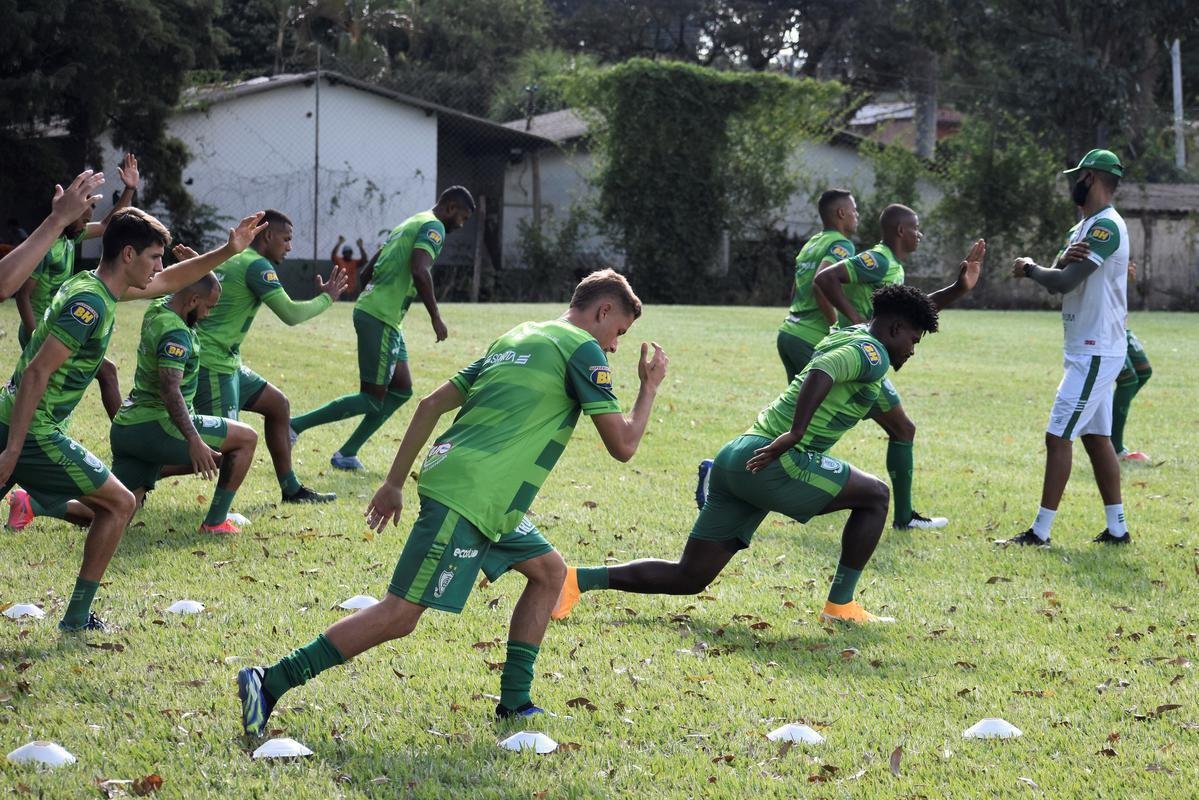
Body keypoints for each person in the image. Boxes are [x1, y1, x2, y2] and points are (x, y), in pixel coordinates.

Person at [236, 268, 667, 737]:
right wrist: (648, 387)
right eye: (619, 332)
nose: (615, 347)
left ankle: (515, 704)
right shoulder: (582, 349)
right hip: (471, 496)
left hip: (483, 496)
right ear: (604, 310)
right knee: (400, 615)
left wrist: (396, 482)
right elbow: (623, 445)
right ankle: (270, 679)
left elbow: (430, 404)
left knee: (549, 572)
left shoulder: (517, 336)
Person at [553, 284, 948, 627]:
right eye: (912, 340)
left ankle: (574, 580)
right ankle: (840, 605)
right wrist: (795, 433)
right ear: (894, 329)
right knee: (876, 496)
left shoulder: (855, 334)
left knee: (689, 577)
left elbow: (908, 309)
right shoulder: (872, 353)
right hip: (779, 460)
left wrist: (959, 289)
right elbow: (824, 370)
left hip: (739, 457)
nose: (912, 350)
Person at [0, 207, 268, 631]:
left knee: (119, 501)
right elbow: (36, 372)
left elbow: (171, 281)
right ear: (128, 255)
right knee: (120, 503)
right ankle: (75, 618)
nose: (161, 268)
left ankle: (72, 606)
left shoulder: (96, 286)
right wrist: (14, 449)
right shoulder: (91, 303)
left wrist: (228, 250)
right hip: (31, 429)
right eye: (154, 257)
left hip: (17, 420)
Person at [7, 273, 260, 534]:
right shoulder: (177, 335)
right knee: (246, 439)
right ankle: (216, 522)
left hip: (129, 427)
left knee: (117, 510)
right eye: (209, 307)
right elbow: (169, 390)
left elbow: (184, 287)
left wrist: (197, 268)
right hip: (160, 426)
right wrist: (194, 439)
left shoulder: (159, 308)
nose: (208, 314)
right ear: (193, 300)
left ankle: (32, 504)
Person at [813, 205, 985, 531]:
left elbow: (908, 315)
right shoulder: (879, 259)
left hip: (868, 358)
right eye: (916, 227)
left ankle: (903, 516)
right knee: (818, 434)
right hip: (860, 357)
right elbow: (825, 277)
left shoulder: (894, 267)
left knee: (898, 429)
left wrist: (959, 287)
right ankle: (902, 517)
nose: (920, 234)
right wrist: (856, 319)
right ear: (901, 231)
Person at [289, 186, 475, 471]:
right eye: (461, 217)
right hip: (381, 317)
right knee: (372, 398)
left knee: (401, 390)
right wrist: (435, 317)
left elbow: (367, 271)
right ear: (450, 208)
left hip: (381, 316)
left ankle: (347, 453)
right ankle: (293, 426)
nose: (461, 225)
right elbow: (419, 270)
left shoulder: (410, 223)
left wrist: (373, 299)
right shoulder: (433, 227)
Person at [1002, 149, 1132, 547]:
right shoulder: (1085, 226)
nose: (1072, 183)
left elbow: (1062, 282)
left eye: (1078, 176)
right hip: (1088, 345)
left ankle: (1040, 532)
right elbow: (1063, 270)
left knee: (1057, 436)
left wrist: (1028, 266)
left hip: (1095, 347)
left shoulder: (1105, 226)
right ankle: (1118, 529)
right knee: (1097, 438)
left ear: (1091, 178)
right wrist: (1056, 262)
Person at [192, 209, 347, 505]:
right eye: (286, 239)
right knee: (226, 448)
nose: (289, 247)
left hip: (227, 362)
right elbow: (289, 313)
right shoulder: (257, 266)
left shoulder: (233, 256)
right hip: (212, 363)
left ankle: (291, 490)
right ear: (268, 236)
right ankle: (144, 475)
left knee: (278, 405)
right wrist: (328, 297)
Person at [14, 154, 141, 420]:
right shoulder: (46, 246)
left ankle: (120, 430)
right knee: (98, 373)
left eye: (88, 218)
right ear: (68, 214)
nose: (87, 222)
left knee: (105, 372)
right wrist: (36, 335)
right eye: (83, 218)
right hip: (41, 327)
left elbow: (108, 226)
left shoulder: (71, 237)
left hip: (59, 324)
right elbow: (23, 295)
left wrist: (129, 189)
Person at [777, 189, 859, 383]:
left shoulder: (812, 243)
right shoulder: (842, 244)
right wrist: (835, 329)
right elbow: (820, 283)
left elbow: (795, 288)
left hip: (789, 333)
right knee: (826, 405)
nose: (857, 215)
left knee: (798, 407)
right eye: (854, 210)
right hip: (809, 338)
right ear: (841, 213)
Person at [0, 171, 105, 300]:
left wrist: (129, 189)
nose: (84, 226)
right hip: (38, 319)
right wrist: (57, 218)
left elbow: (104, 226)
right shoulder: (49, 248)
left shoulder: (69, 239)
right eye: (84, 221)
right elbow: (10, 290)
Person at [1113, 262, 1151, 463]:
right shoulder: (1089, 235)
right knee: (1128, 380)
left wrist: (1123, 276)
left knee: (1144, 372)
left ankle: (1107, 428)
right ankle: (1115, 447)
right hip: (1104, 328)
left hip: (1121, 324)